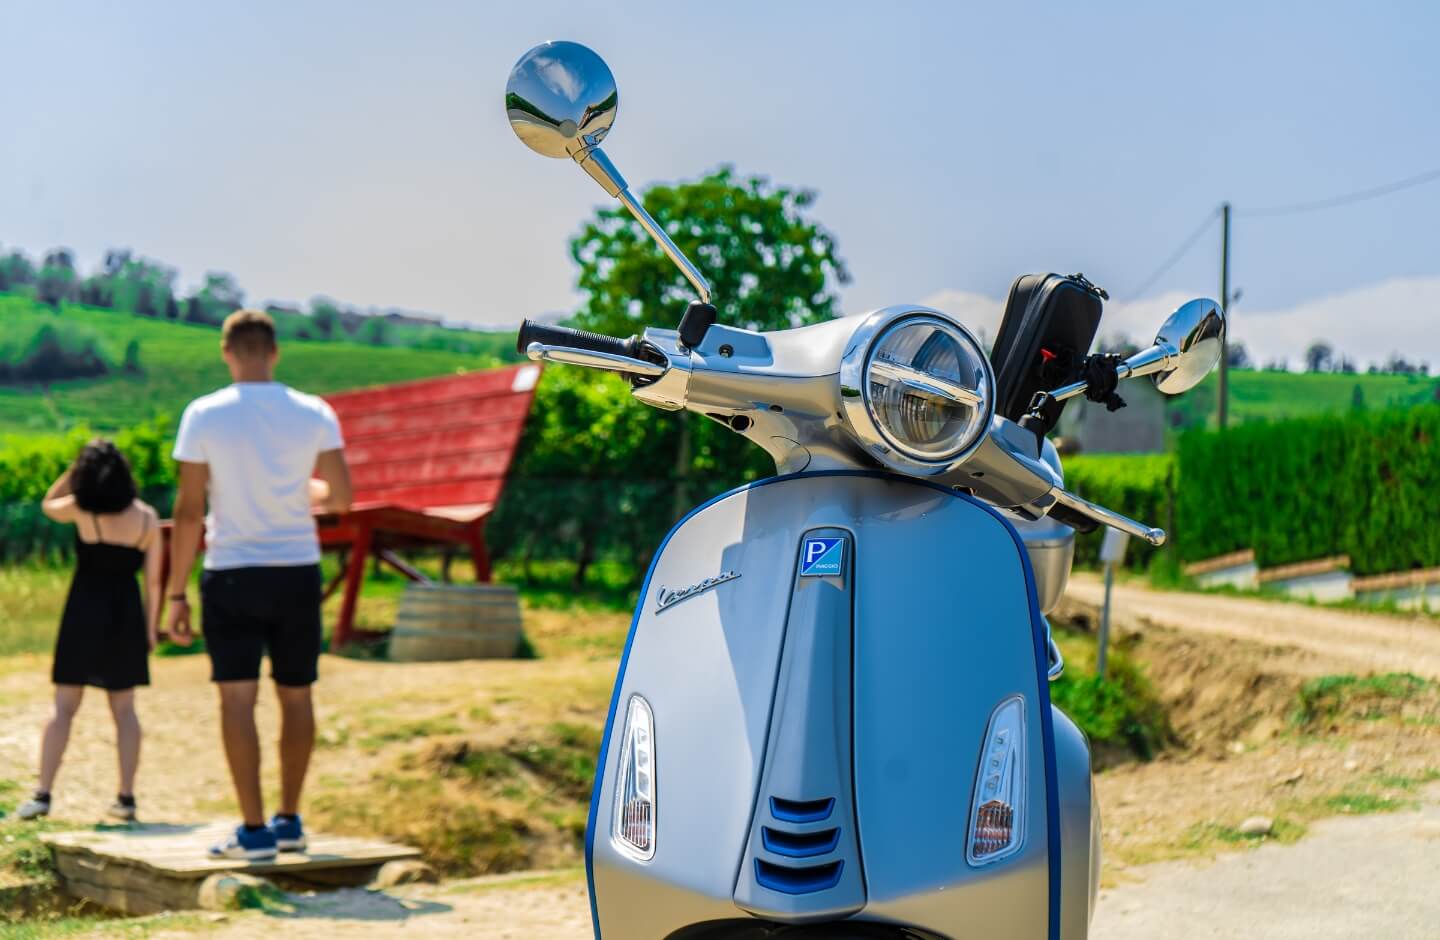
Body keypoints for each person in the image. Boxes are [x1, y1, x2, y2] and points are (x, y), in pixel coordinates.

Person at [166, 309, 352, 860]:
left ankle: (253, 832)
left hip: (232, 571)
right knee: (297, 696)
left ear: (227, 352)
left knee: (238, 699)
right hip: (297, 570)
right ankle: (290, 821)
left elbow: (189, 508)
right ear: (274, 352)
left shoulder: (203, 414)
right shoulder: (314, 412)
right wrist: (305, 490)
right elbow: (341, 497)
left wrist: (176, 592)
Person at [16, 440, 162, 822]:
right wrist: (150, 629)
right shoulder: (147, 518)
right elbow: (154, 584)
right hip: (126, 612)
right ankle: (126, 798)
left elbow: (49, 505)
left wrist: (71, 473)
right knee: (125, 709)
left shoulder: (82, 509)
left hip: (84, 610)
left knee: (64, 707)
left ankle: (43, 793)